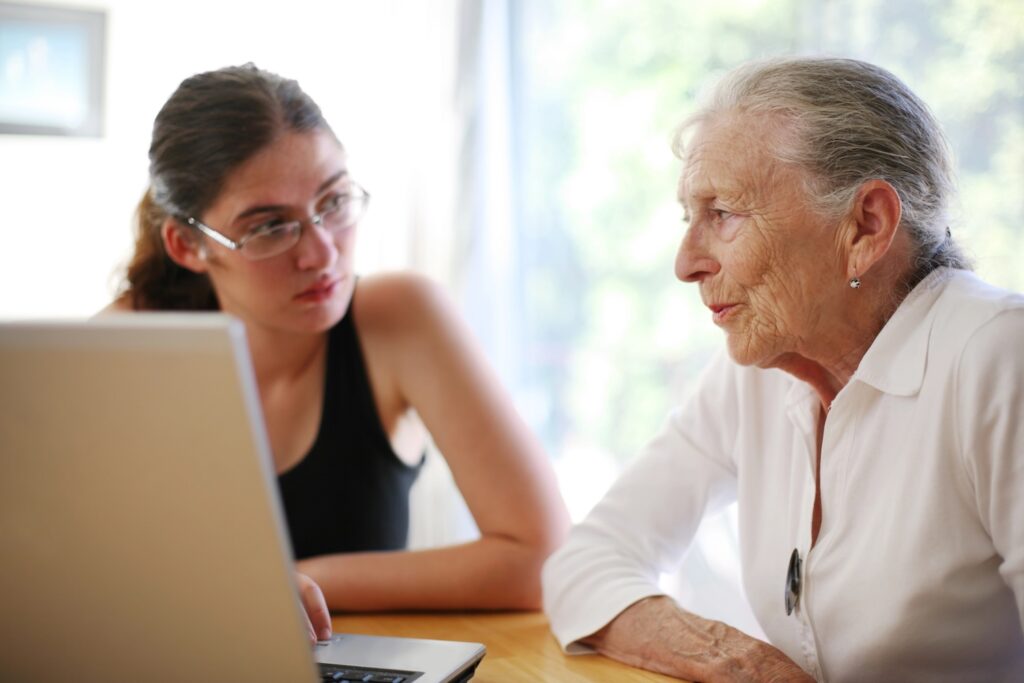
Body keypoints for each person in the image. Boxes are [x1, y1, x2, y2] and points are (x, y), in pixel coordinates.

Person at [542, 56, 1024, 682]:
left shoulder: (998, 357)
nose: (686, 263)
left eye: (724, 213)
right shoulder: (760, 367)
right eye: (690, 217)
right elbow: (586, 561)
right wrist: (733, 662)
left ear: (866, 226)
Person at [106, 64, 569, 618]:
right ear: (188, 246)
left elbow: (541, 558)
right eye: (269, 227)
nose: (322, 253)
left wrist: (292, 583)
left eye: (332, 203)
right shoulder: (129, 343)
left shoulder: (399, 318)